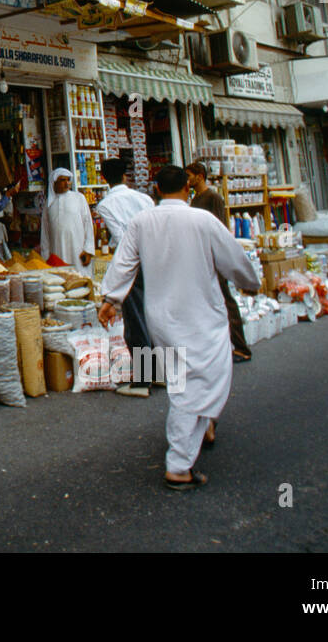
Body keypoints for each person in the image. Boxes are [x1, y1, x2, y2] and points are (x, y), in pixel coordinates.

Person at [97, 165, 260, 490]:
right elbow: (234, 259)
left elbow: (123, 262)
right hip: (201, 315)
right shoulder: (202, 220)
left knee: (182, 378)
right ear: (188, 187)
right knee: (204, 377)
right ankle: (179, 465)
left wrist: (110, 299)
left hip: (161, 317)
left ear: (155, 189)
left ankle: (204, 425)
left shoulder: (143, 223)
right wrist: (250, 282)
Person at [96, 159, 155, 397]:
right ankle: (163, 374)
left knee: (136, 320)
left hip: (133, 264)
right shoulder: (144, 199)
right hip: (155, 260)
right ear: (125, 176)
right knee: (158, 317)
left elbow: (121, 239)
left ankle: (142, 382)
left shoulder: (106, 204)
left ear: (103, 178)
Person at [185, 161, 252, 363]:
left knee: (226, 301)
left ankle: (241, 347)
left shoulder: (212, 198)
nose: (187, 180)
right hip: (201, 258)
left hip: (213, 257)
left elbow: (220, 229)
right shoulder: (195, 199)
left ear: (199, 176)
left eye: (189, 176)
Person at [40, 167, 94, 275]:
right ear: (53, 183)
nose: (66, 183)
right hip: (57, 251)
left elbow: (88, 224)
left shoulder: (79, 198)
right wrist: (45, 256)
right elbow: (45, 232)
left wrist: (88, 250)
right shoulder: (48, 204)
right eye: (62, 180)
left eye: (68, 180)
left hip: (78, 250)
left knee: (82, 278)